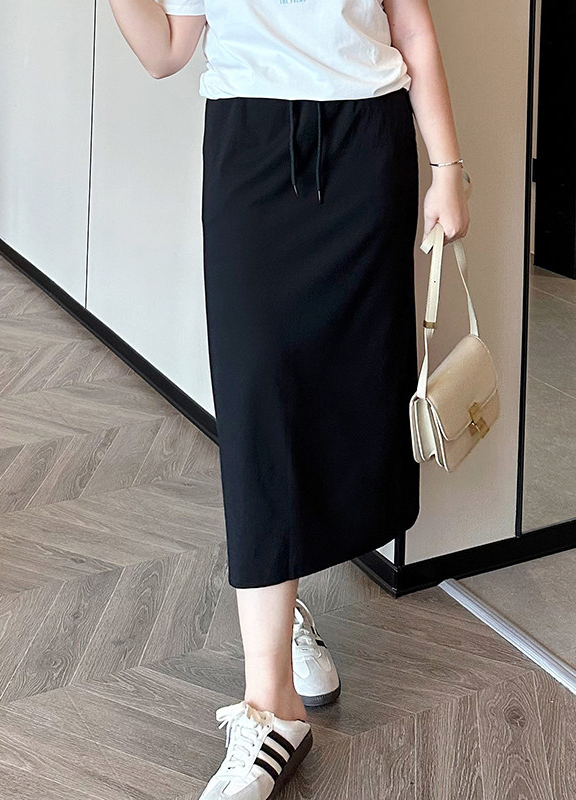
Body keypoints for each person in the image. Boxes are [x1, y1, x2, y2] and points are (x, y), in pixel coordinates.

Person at [108, 0, 470, 796]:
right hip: (252, 148)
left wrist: (447, 167)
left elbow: (411, 27)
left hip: (366, 147)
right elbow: (166, 49)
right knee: (258, 405)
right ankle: (271, 707)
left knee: (347, 398)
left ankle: (281, 603)